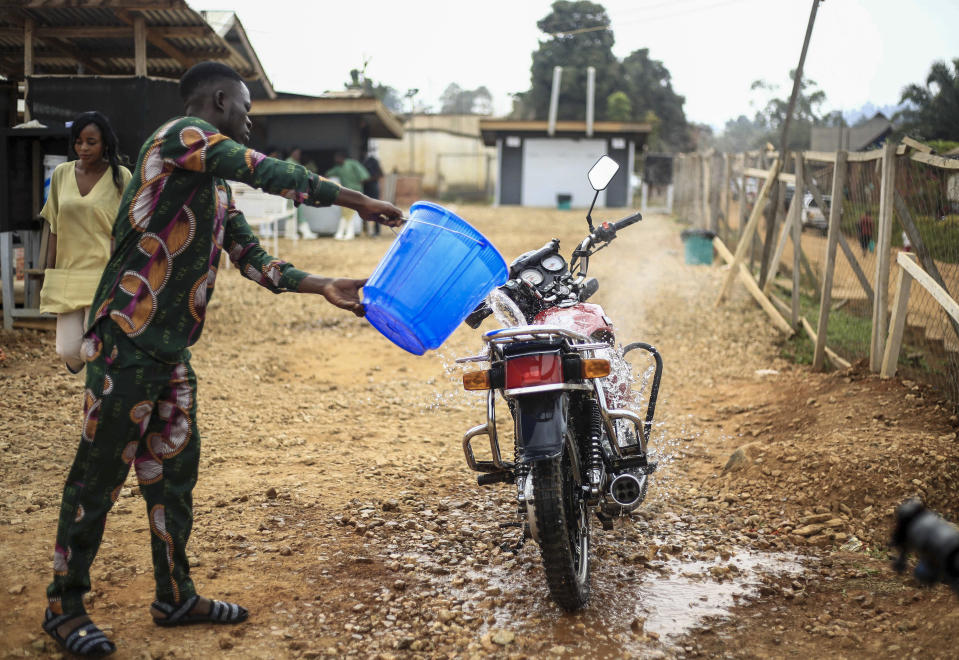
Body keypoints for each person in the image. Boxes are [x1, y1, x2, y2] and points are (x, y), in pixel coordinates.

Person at [40, 61, 403, 657]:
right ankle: (63, 606)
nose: (250, 121)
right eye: (246, 109)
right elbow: (268, 171)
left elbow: (254, 258)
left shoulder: (211, 181)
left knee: (174, 475)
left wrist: (324, 283)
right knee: (97, 479)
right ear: (218, 101)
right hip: (126, 341)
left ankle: (175, 595)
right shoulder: (179, 137)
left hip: (171, 350)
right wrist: (357, 199)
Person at [39, 112, 133, 374]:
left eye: (91, 142)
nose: (83, 148)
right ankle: (95, 375)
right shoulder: (61, 174)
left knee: (93, 348)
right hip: (69, 274)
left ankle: (100, 398)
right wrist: (49, 271)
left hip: (103, 274)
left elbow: (126, 230)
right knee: (67, 351)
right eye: (78, 141)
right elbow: (54, 227)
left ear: (105, 144)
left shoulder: (120, 177)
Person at [326, 150, 370, 240]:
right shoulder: (338, 168)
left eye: (336, 157)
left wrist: (357, 185)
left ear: (341, 157)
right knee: (347, 213)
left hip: (355, 192)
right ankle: (347, 233)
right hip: (345, 193)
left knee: (348, 213)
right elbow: (328, 174)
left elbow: (365, 176)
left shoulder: (353, 163)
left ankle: (343, 233)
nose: (335, 159)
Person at [362, 147, 385, 236]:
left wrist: (368, 180)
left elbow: (380, 174)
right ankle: (366, 230)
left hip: (373, 187)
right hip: (365, 188)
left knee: (376, 209)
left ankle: (376, 231)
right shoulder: (361, 161)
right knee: (364, 208)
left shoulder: (373, 161)